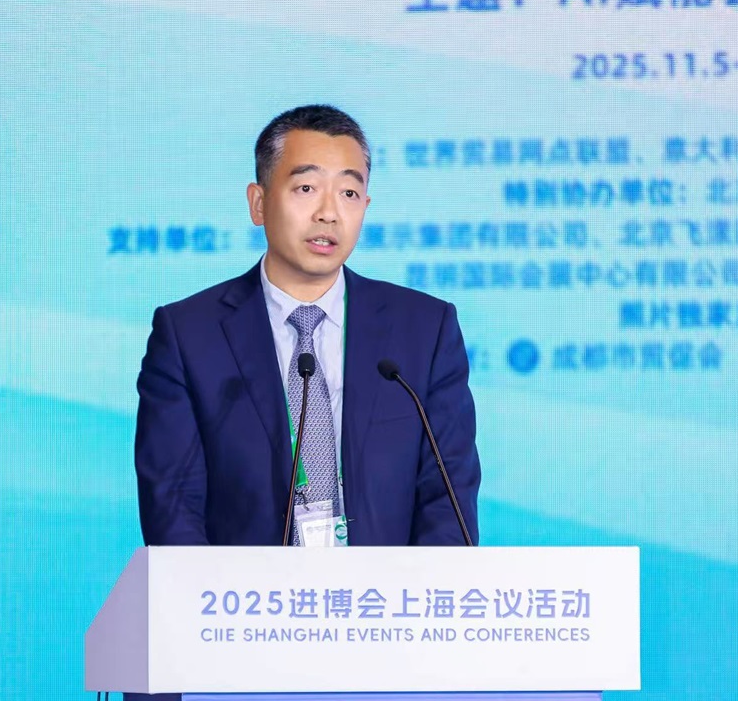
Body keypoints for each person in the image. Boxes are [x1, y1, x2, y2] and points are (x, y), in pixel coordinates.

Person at [135, 104, 480, 547]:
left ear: (365, 207)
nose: (329, 213)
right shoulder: (188, 336)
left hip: (387, 591)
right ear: (259, 203)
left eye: (349, 193)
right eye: (306, 188)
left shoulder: (425, 330)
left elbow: (448, 499)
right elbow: (173, 507)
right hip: (243, 591)